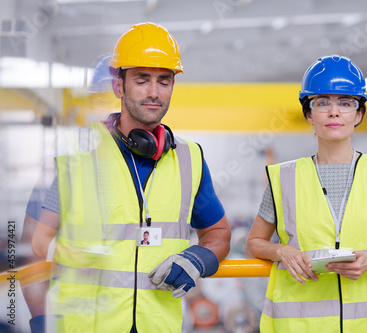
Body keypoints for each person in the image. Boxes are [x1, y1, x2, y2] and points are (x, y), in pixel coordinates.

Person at [31, 22, 231, 333]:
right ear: (118, 86)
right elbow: (37, 243)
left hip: (158, 326)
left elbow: (218, 233)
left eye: (164, 81)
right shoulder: (77, 154)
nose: (154, 92)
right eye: (142, 80)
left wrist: (198, 258)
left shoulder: (190, 158)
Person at [244, 55, 367, 333]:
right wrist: (282, 251)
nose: (334, 112)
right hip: (299, 324)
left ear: (358, 114)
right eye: (322, 102)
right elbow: (254, 244)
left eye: (345, 103)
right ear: (309, 114)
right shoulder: (283, 177)